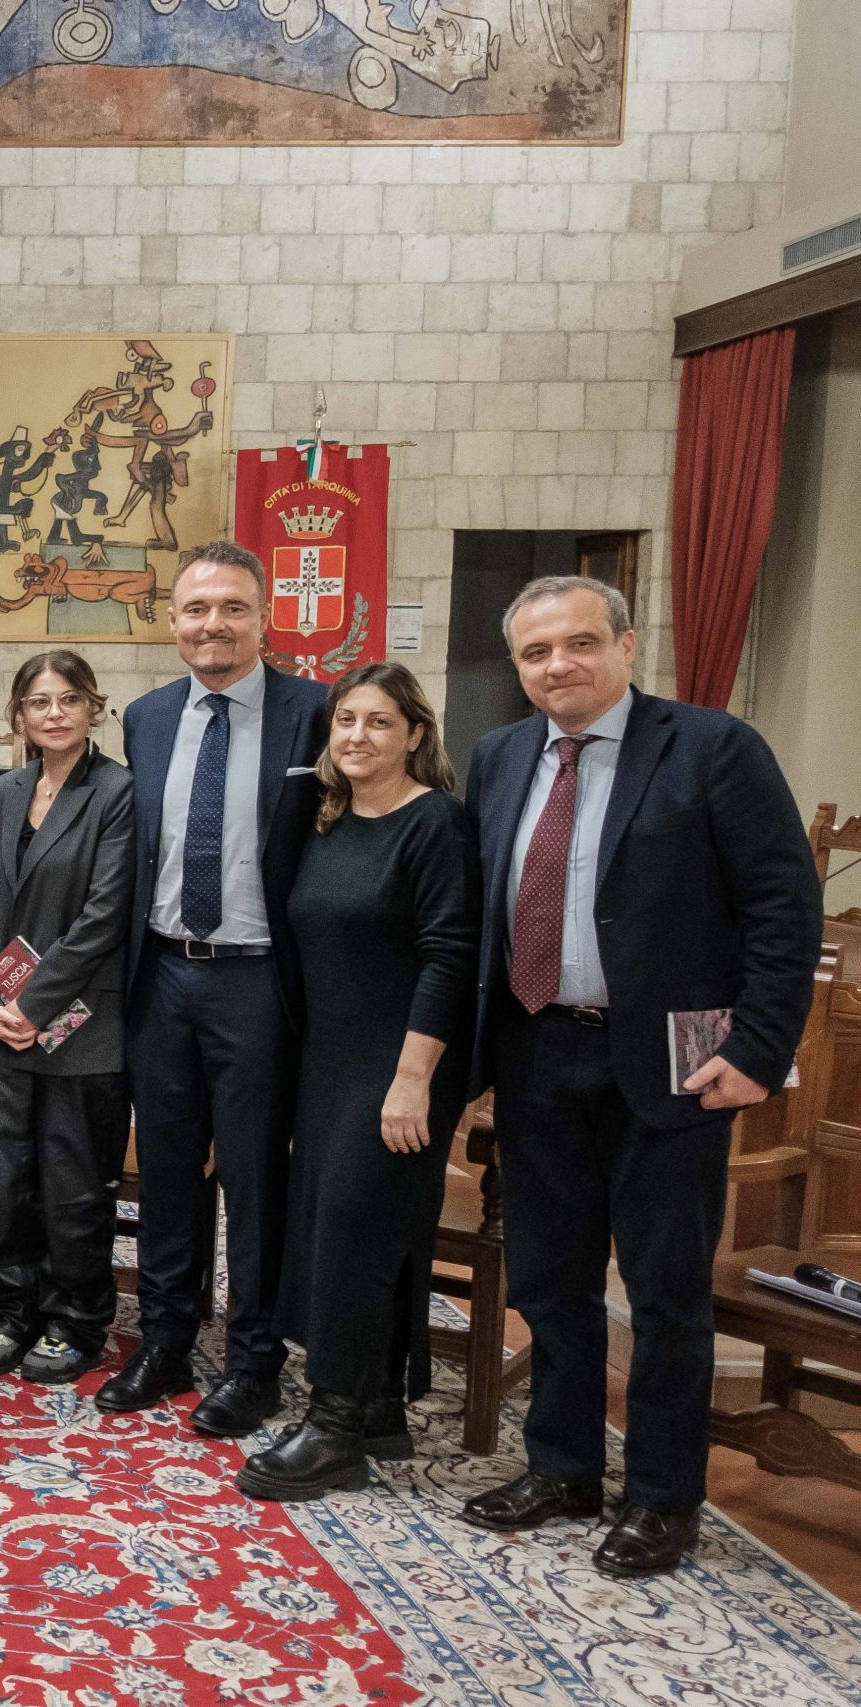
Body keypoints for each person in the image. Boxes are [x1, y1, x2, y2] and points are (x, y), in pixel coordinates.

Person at [456, 576, 820, 1578]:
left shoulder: (712, 748)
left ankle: (663, 1498)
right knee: (549, 1275)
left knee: (662, 1292)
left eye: (578, 643)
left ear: (626, 643)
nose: (556, 666)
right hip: (536, 1047)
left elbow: (784, 910)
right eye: (535, 653)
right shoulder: (497, 758)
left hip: (675, 1056)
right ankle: (564, 1468)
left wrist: (753, 1052)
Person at [102, 541, 329, 1436]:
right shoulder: (147, 716)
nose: (213, 625)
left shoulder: (316, 713)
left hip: (258, 978)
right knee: (165, 1170)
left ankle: (254, 1359)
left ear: (263, 617)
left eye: (232, 607)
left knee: (252, 1176)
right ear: (172, 621)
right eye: (196, 609)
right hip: (161, 974)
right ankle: (163, 1340)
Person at [239, 663, 476, 1502]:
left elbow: (451, 956)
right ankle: (377, 1405)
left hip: (402, 1065)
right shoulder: (326, 822)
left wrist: (413, 1080)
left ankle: (334, 1428)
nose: (357, 737)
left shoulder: (435, 823)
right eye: (345, 721)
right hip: (331, 1060)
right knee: (334, 1227)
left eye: (379, 722)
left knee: (353, 1231)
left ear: (415, 733)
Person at [0, 652, 135, 1386]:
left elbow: (104, 915)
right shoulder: (1, 791)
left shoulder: (118, 791)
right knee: (4, 1176)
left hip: (81, 1022)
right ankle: (13, 1308)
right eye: (39, 701)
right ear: (19, 716)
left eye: (70, 699)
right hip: (0, 1020)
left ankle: (77, 1318)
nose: (55, 712)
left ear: (93, 706)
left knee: (72, 1180)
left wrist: (33, 1005)